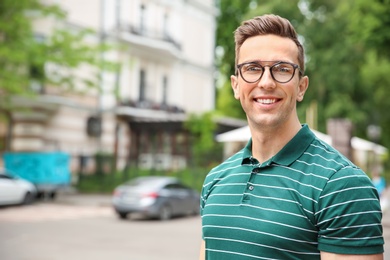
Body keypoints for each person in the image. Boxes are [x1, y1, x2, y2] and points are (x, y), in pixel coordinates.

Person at [199, 14, 384, 259]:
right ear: (235, 85)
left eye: (282, 69)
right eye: (252, 69)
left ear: (301, 87)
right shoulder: (216, 179)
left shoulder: (342, 185)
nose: (266, 82)